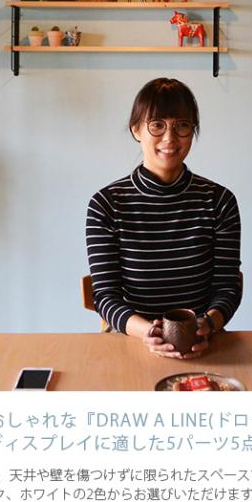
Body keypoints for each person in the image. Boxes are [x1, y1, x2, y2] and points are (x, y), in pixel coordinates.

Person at [86, 77, 241, 359]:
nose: (170, 138)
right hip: (131, 339)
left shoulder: (219, 201)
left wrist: (207, 325)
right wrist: (148, 332)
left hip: (202, 341)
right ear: (136, 130)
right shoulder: (106, 204)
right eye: (157, 125)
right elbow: (105, 295)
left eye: (182, 126)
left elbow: (228, 286)